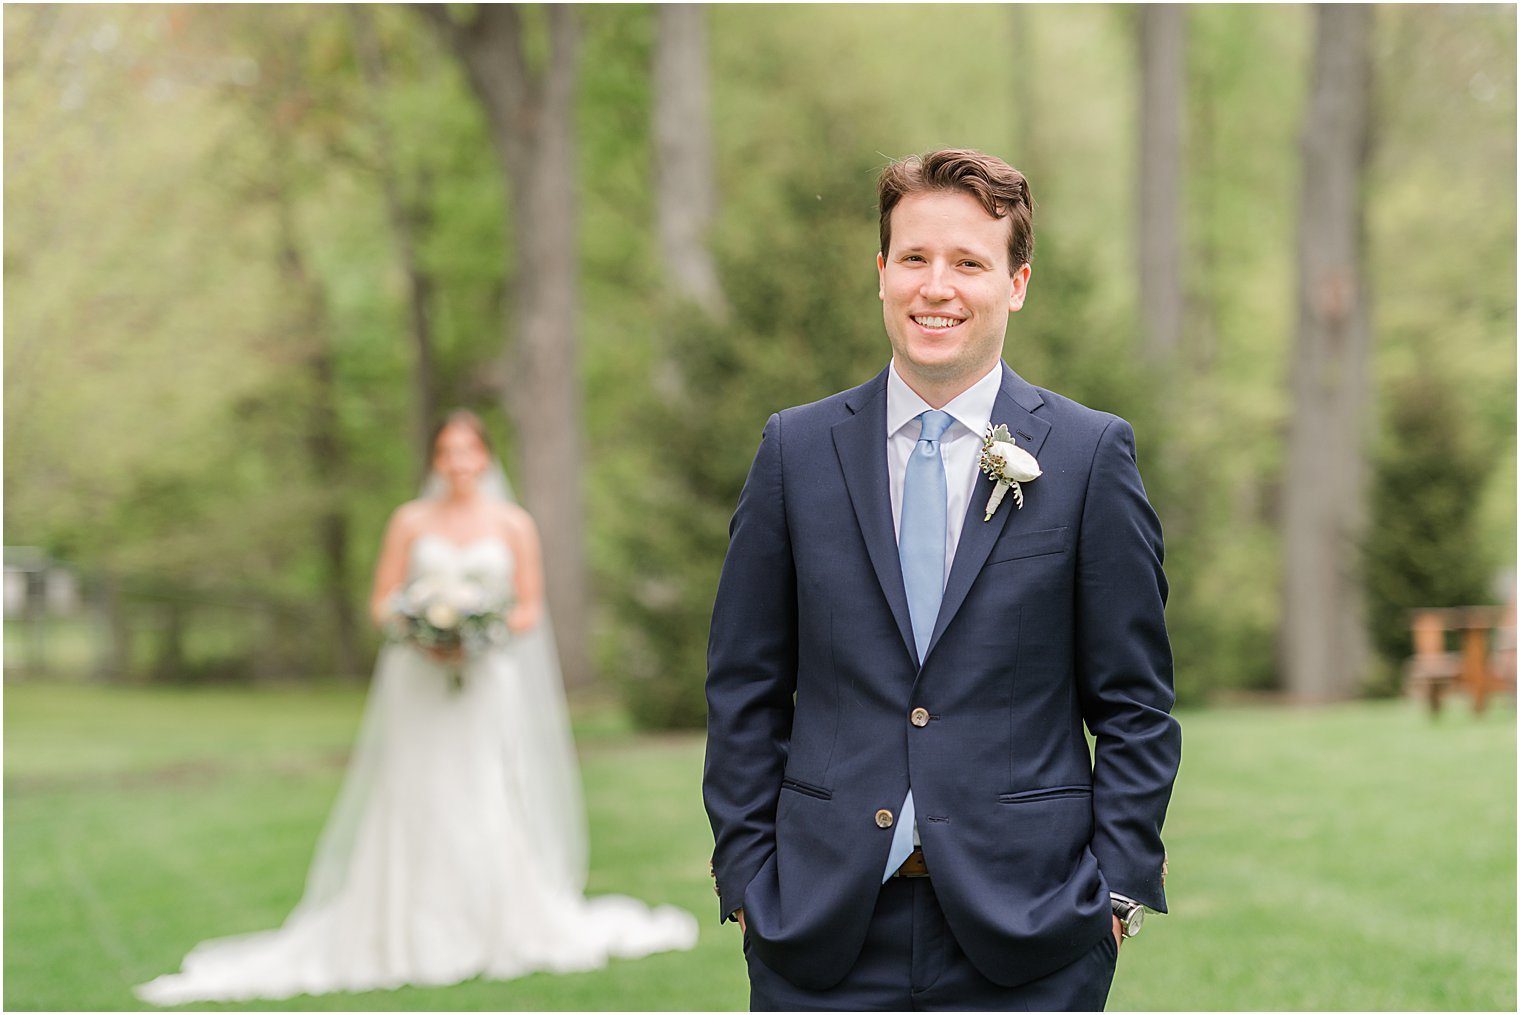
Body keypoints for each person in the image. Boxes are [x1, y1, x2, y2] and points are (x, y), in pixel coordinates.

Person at [703, 149, 1181, 1011]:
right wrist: (747, 879)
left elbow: (1136, 703)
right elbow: (746, 685)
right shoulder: (794, 452)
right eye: (915, 258)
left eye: (969, 262)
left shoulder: (1086, 455)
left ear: (1017, 283)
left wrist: (1112, 893)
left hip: (1033, 929)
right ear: (881, 272)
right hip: (819, 926)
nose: (938, 286)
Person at [137, 410, 697, 1005]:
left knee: (485, 791)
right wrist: (424, 630)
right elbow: (382, 603)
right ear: (435, 460)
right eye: (446, 452)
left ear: (485, 458)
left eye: (467, 451)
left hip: (485, 684)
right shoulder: (410, 521)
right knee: (417, 792)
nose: (458, 463)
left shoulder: (513, 524)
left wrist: (480, 635)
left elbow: (530, 608)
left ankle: (493, 925)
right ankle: (405, 928)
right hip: (420, 686)